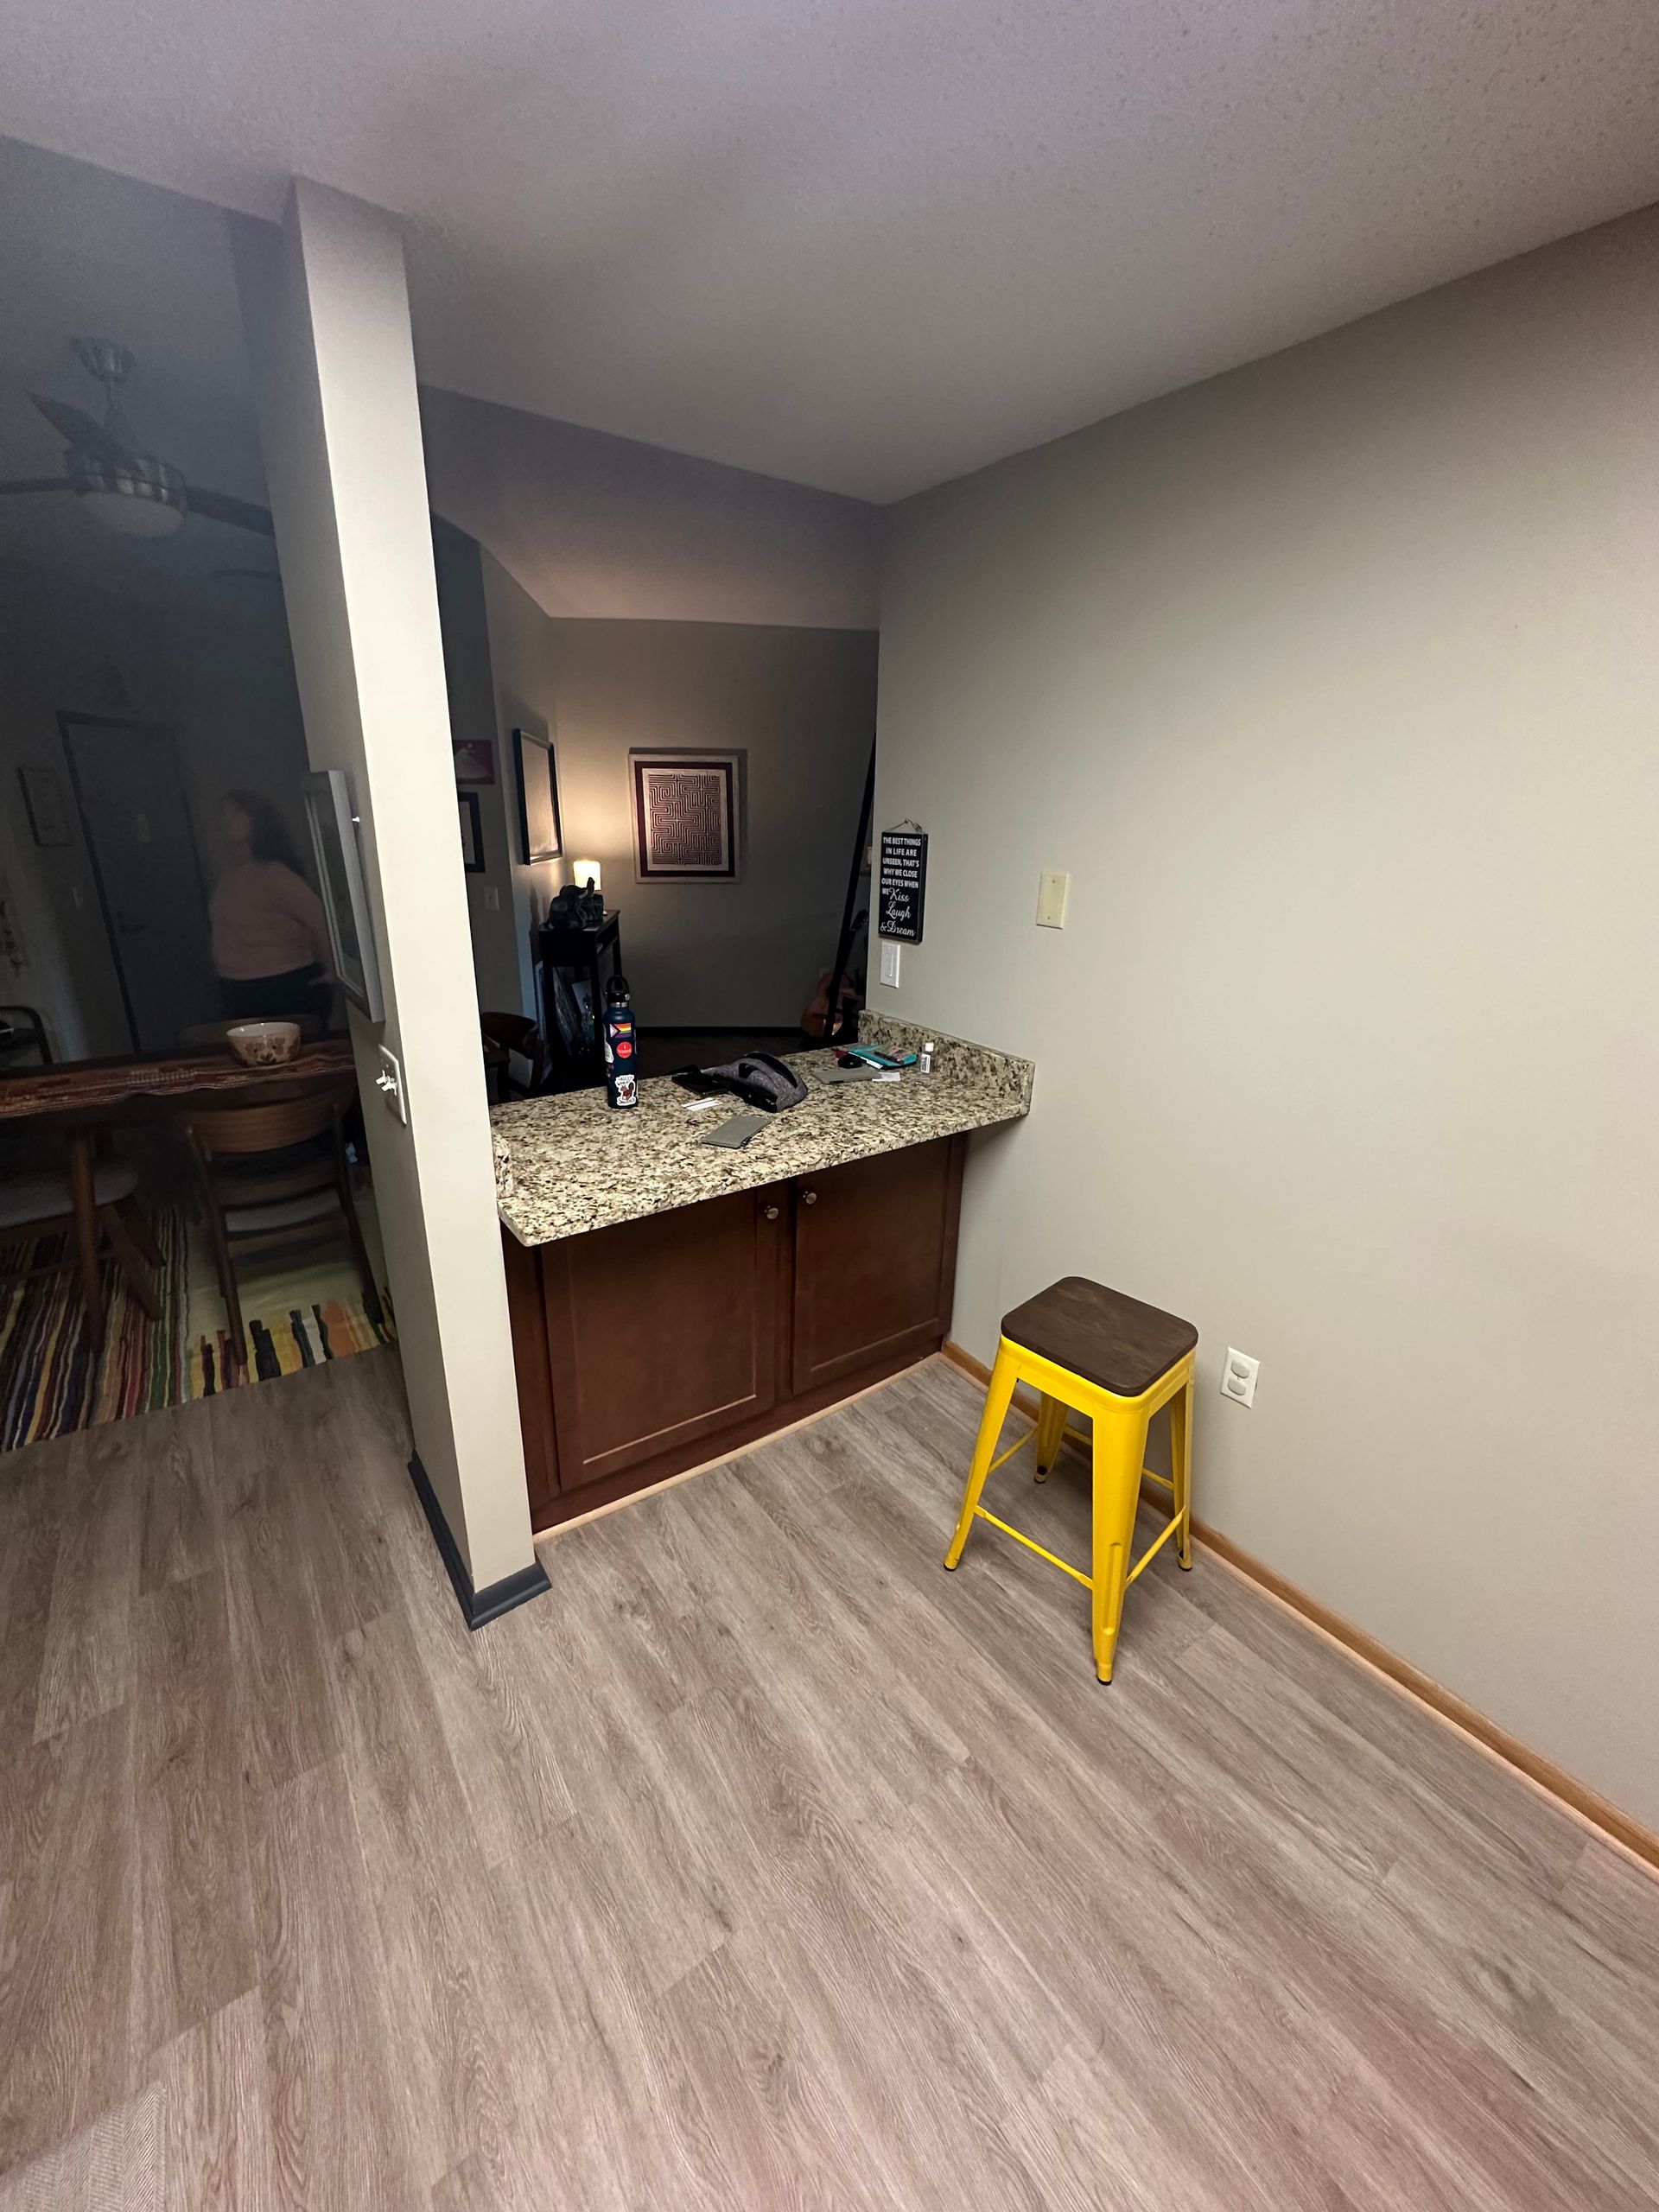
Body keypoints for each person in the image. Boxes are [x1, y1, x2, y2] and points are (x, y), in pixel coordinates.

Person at [209, 788, 334, 1024]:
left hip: (282, 987)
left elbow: (320, 920)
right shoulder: (229, 874)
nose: (225, 818)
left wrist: (333, 971)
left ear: (255, 820)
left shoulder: (276, 875)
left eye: (235, 811)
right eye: (224, 812)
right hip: (238, 987)